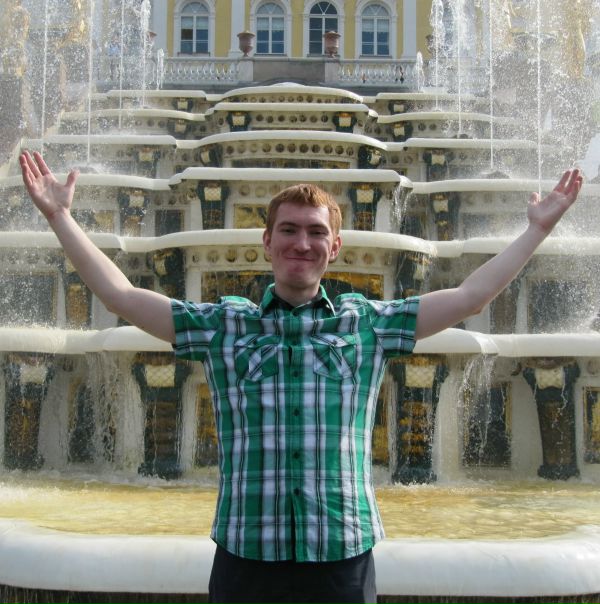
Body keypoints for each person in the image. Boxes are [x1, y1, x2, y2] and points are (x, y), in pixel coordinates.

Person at [19, 150, 582, 604]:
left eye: (315, 232)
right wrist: (60, 217)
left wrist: (536, 230)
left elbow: (471, 296)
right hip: (247, 552)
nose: (302, 243)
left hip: (340, 552)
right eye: (288, 230)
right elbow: (119, 295)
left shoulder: (369, 324)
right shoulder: (223, 325)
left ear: (334, 246)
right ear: (267, 241)